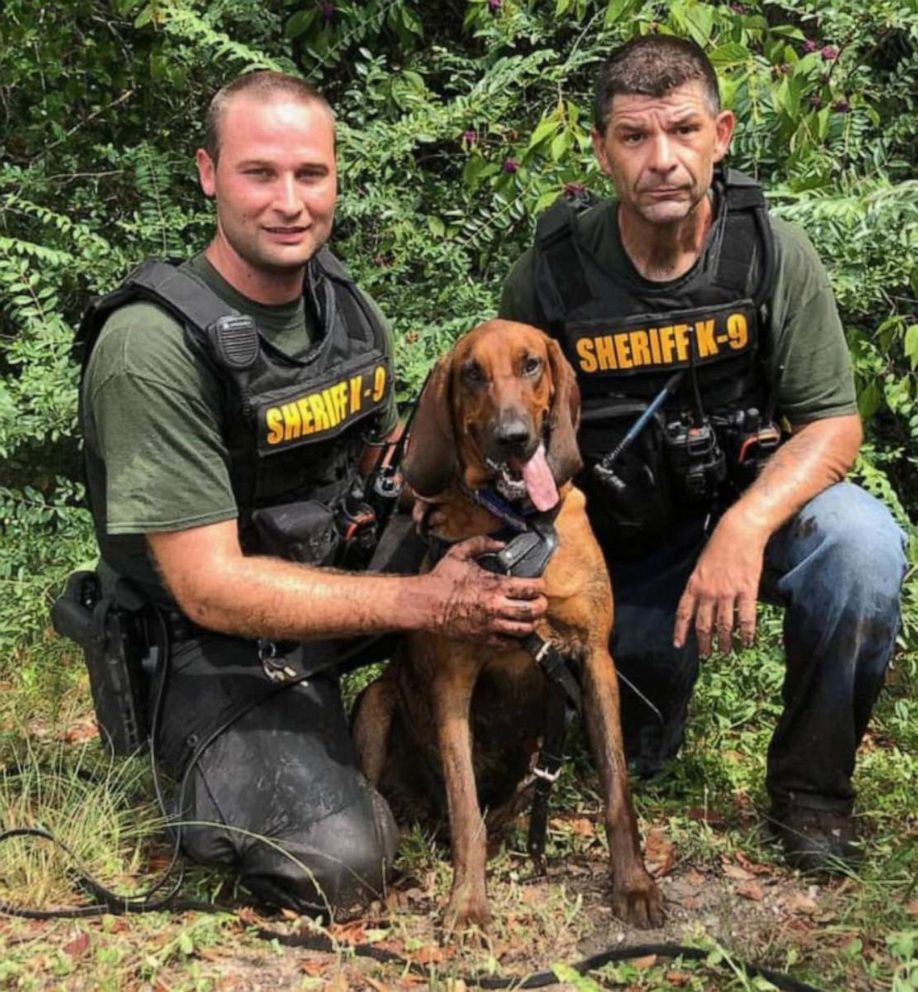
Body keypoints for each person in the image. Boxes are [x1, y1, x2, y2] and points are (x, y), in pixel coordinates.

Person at [76, 71, 548, 915]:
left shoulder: (346, 308)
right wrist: (427, 603)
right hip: (211, 642)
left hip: (337, 590)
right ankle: (211, 763)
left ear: (336, 179)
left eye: (311, 174)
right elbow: (208, 585)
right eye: (260, 173)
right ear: (208, 174)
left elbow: (392, 467)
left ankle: (371, 717)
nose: (290, 202)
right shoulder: (151, 348)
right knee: (344, 861)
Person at [499, 36, 906, 873]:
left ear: (720, 134)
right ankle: (628, 703)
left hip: (740, 512)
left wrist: (747, 528)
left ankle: (813, 793)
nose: (663, 160)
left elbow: (832, 425)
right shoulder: (552, 277)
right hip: (619, 542)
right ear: (601, 149)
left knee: (862, 547)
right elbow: (507, 431)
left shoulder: (770, 253)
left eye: (683, 131)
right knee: (642, 747)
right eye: (634, 137)